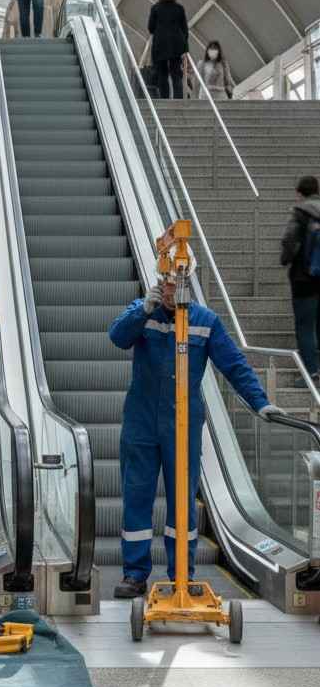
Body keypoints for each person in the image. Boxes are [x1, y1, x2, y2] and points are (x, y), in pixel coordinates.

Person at [108, 265, 281, 599]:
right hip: (141, 422)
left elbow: (233, 365)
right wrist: (144, 309)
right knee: (136, 496)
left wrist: (261, 403)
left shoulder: (205, 321)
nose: (171, 292)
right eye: (166, 285)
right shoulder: (143, 311)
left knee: (182, 501)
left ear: (189, 285)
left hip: (183, 422)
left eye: (178, 285)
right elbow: (117, 337)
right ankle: (134, 574)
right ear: (160, 284)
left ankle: (182, 576)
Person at [280, 175, 320, 382]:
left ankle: (311, 374)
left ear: (299, 193)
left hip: (304, 280)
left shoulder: (301, 213)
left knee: (305, 326)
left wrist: (285, 260)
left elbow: (289, 240)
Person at [147, 0, 189, 100]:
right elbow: (185, 29)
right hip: (176, 45)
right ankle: (178, 99)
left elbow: (150, 28)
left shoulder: (155, 8)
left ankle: (164, 99)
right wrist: (185, 48)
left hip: (160, 45)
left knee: (162, 74)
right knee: (176, 74)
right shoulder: (179, 8)